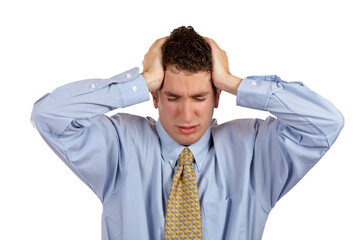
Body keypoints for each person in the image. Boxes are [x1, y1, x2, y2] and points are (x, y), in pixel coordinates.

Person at [31, 26, 344, 240]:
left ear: (217, 96)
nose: (186, 115)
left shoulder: (253, 151)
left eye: (199, 98)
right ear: (154, 96)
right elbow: (48, 115)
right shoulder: (120, 145)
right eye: (171, 97)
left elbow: (325, 123)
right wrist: (139, 82)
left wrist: (235, 82)